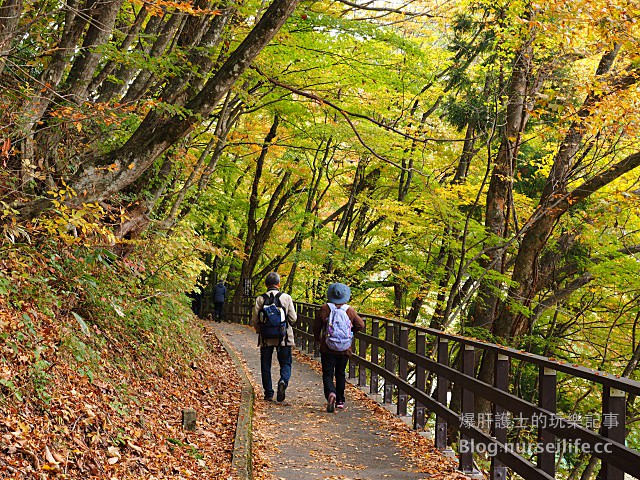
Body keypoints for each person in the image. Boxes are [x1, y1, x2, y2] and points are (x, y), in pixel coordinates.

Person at [313, 282, 364, 412]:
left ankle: (331, 393)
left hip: (327, 347)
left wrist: (318, 339)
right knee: (340, 373)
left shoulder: (325, 308)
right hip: (344, 348)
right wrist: (350, 333)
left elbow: (316, 327)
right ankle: (340, 400)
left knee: (328, 373)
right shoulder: (349, 310)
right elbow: (360, 325)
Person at [251, 272, 297, 402]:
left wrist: (260, 330)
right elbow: (293, 318)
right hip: (284, 337)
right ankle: (283, 381)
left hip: (266, 338)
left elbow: (255, 319)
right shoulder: (286, 298)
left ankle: (268, 393)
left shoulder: (260, 299)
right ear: (278, 284)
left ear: (266, 284)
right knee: (286, 363)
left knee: (266, 364)